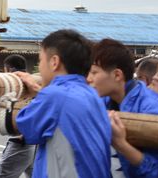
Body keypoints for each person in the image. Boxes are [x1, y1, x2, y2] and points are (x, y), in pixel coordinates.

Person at [14, 29, 111, 178]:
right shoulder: (92, 95)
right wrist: (39, 92)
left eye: (40, 60)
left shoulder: (54, 95)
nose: (40, 66)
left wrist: (11, 99)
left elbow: (27, 129)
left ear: (54, 62)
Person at [88, 38, 158, 177]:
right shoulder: (106, 99)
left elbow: (157, 171)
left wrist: (121, 144)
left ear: (117, 75)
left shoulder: (152, 109)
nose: (88, 79)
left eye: (94, 72)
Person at [0, 55, 35, 178]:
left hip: (21, 141)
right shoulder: (32, 83)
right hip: (32, 143)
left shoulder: (15, 85)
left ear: (10, 69)